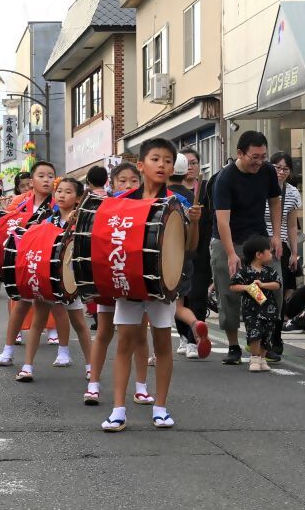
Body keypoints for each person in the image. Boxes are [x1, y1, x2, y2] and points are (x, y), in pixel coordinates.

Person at [101, 138, 201, 432]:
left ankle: (160, 406)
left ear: (173, 167)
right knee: (125, 342)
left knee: (161, 343)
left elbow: (190, 247)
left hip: (163, 283)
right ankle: (118, 409)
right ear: (141, 165)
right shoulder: (122, 202)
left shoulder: (179, 202)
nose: (162, 165)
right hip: (129, 281)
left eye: (168, 160)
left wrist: (194, 222)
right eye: (155, 159)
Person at [210, 131, 283, 366]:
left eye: (263, 156)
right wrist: (231, 254)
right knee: (230, 291)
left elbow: (274, 201)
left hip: (258, 239)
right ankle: (233, 345)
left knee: (271, 291)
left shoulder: (268, 171)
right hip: (226, 238)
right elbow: (222, 220)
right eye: (255, 157)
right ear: (240, 154)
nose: (259, 162)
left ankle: (262, 344)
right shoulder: (225, 178)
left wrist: (275, 236)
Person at [85, 162, 152, 406]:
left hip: (134, 277)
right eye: (122, 181)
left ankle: (141, 387)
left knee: (139, 336)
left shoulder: (145, 206)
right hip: (110, 275)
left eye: (133, 181)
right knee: (104, 333)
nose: (127, 185)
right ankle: (93, 384)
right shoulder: (104, 206)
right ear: (112, 184)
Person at [13, 177, 92, 382]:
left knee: (79, 324)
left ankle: (92, 367)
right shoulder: (48, 219)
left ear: (78, 198)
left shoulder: (83, 220)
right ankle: (27, 366)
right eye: (59, 192)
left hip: (70, 278)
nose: (62, 195)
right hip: (47, 276)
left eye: (68, 192)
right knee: (38, 321)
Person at [0, 161, 55, 367]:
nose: (46, 180)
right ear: (32, 181)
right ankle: (8, 349)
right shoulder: (20, 201)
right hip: (25, 260)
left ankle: (66, 351)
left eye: (50, 176)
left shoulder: (58, 201)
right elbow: (7, 224)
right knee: (20, 303)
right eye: (41, 175)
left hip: (48, 262)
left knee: (63, 309)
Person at [168, 154, 212, 360]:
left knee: (164, 307)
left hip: (165, 258)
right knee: (183, 301)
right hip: (191, 256)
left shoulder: (162, 196)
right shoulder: (193, 199)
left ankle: (157, 353)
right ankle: (194, 326)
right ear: (185, 171)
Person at [230, 235, 281, 372]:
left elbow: (277, 285)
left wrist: (263, 285)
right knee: (254, 332)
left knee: (267, 334)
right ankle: (254, 358)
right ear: (258, 254)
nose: (271, 254)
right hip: (251, 310)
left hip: (269, 308)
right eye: (269, 251)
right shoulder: (245, 272)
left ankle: (262, 359)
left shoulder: (270, 272)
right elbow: (233, 286)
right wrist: (247, 287)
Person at [179, 147, 213, 329]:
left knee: (198, 293)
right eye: (186, 163)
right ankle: (185, 336)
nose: (190, 167)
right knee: (180, 295)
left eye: (194, 163)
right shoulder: (172, 191)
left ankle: (196, 336)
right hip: (180, 250)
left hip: (202, 251)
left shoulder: (207, 188)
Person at [265, 153, 302, 309]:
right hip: (259, 244)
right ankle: (259, 313)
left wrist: (294, 253)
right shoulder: (260, 187)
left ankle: (277, 318)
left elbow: (292, 225)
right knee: (258, 284)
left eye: (285, 169)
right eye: (277, 167)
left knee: (280, 285)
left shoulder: (293, 192)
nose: (281, 172)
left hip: (281, 246)